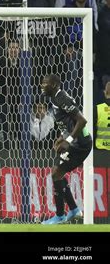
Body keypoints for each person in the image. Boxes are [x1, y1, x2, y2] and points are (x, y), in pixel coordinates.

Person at [41, 74, 92, 225]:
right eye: (42, 83)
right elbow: (68, 121)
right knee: (57, 173)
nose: (42, 85)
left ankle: (61, 215)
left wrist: (68, 140)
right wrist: (62, 136)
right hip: (75, 142)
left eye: (46, 83)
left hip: (80, 144)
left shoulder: (61, 97)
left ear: (55, 84)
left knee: (56, 172)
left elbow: (82, 120)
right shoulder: (56, 98)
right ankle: (73, 210)